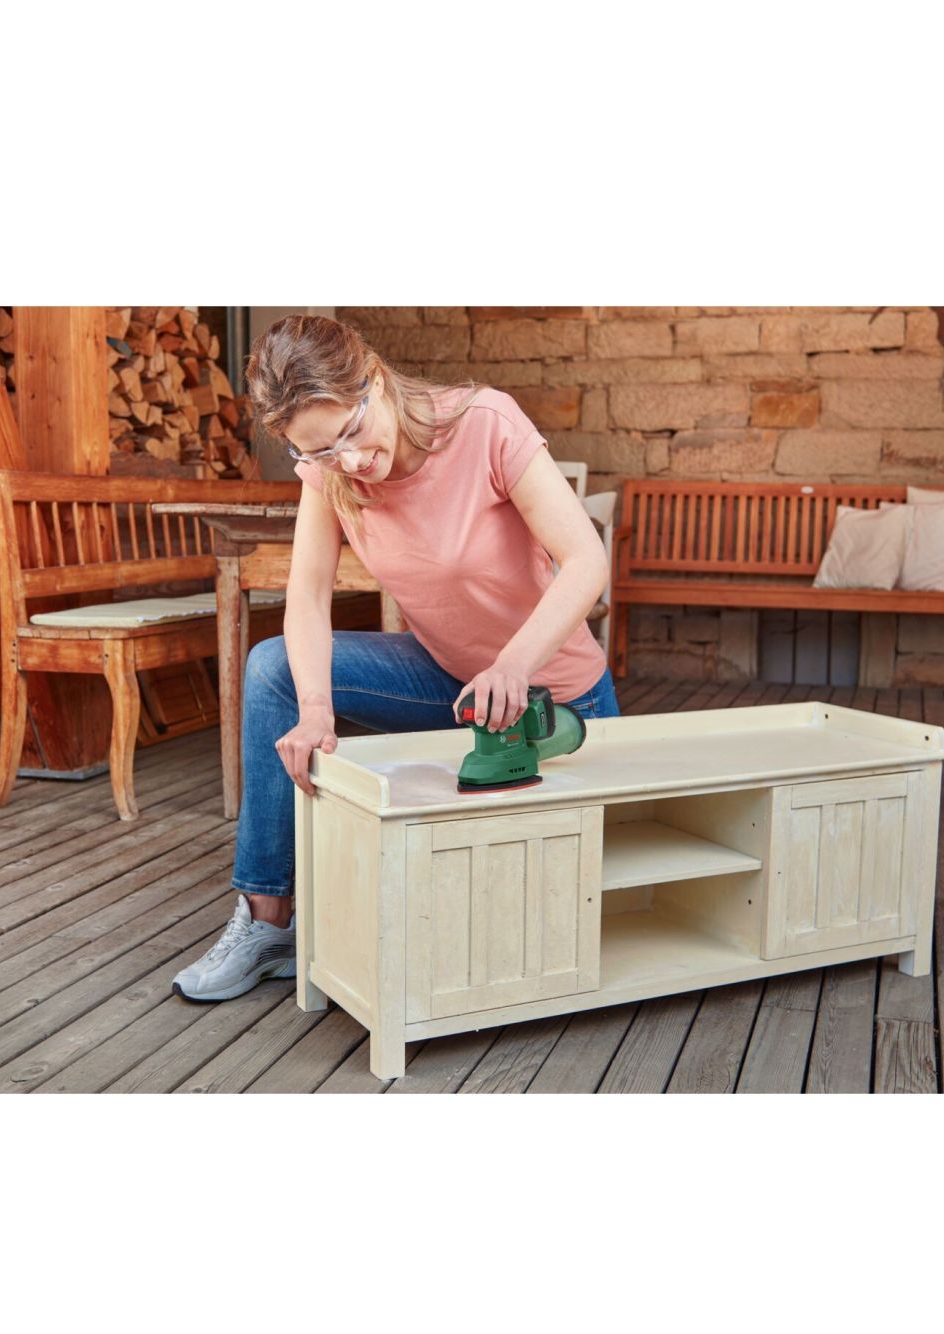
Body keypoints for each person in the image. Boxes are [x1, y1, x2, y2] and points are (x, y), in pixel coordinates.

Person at [172, 314, 618, 1001]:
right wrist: (315, 709)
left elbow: (586, 559)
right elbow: (308, 597)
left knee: (547, 911)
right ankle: (268, 921)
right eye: (320, 451)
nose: (348, 461)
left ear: (373, 380)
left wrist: (513, 665)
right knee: (273, 669)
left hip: (551, 697)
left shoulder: (485, 424)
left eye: (351, 432)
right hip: (447, 681)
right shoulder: (328, 473)